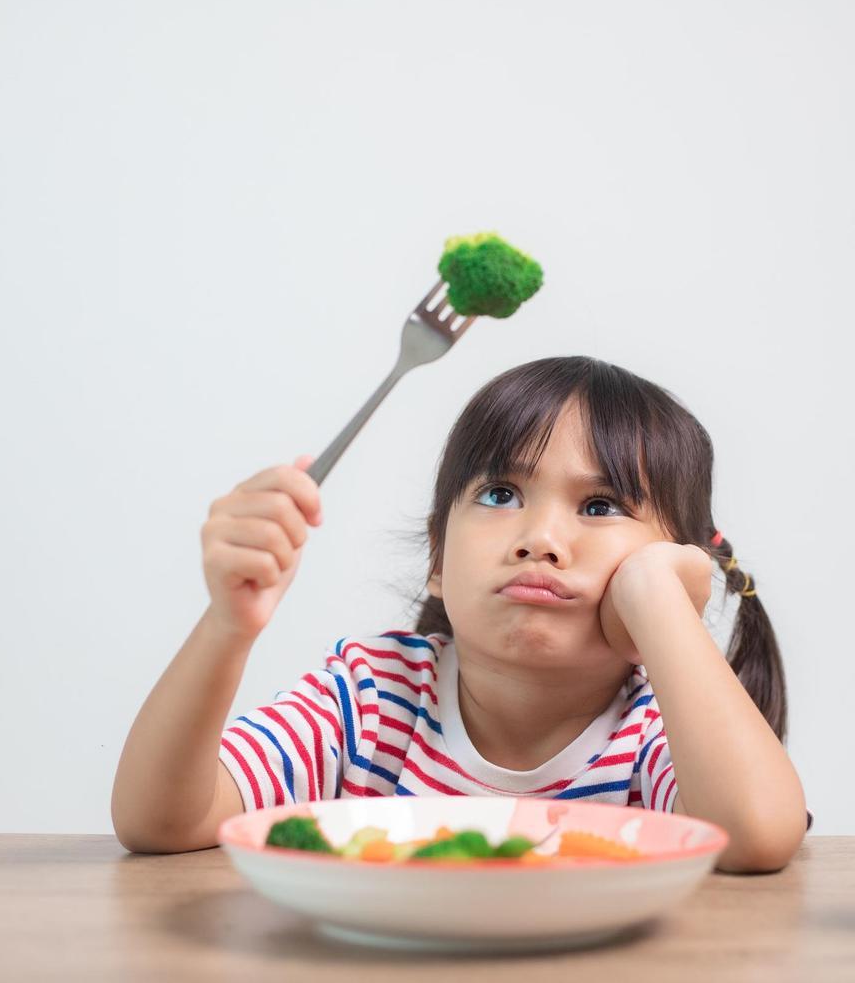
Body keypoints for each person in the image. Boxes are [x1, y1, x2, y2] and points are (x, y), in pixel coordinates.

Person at [111, 355, 811, 871]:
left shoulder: (659, 729)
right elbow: (161, 822)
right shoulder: (371, 697)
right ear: (438, 558)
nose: (540, 538)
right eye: (502, 494)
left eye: (600, 507)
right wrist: (227, 629)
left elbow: (755, 835)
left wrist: (660, 602)